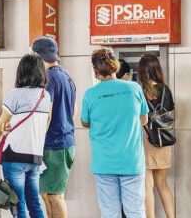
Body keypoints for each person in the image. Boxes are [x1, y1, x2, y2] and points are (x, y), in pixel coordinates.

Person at [80, 49, 149, 218]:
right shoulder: (134, 88)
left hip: (104, 162)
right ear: (115, 66)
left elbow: (85, 122)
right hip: (131, 161)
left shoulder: (90, 94)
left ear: (95, 69)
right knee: (136, 211)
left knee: (110, 213)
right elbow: (144, 119)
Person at [0, 53, 52, 218]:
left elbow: (0, 126)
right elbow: (44, 125)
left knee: (18, 206)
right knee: (34, 204)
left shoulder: (15, 94)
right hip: (35, 157)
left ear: (21, 72)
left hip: (14, 156)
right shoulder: (45, 96)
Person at [31, 37, 76, 218]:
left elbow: (46, 113)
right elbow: (74, 110)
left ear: (36, 55)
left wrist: (37, 138)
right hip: (64, 141)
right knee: (48, 194)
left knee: (55, 196)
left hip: (53, 145)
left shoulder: (48, 78)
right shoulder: (66, 75)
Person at [136, 55, 175, 218]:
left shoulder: (139, 90)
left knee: (147, 185)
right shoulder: (165, 89)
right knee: (163, 184)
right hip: (164, 139)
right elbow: (169, 114)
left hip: (146, 139)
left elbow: (138, 117)